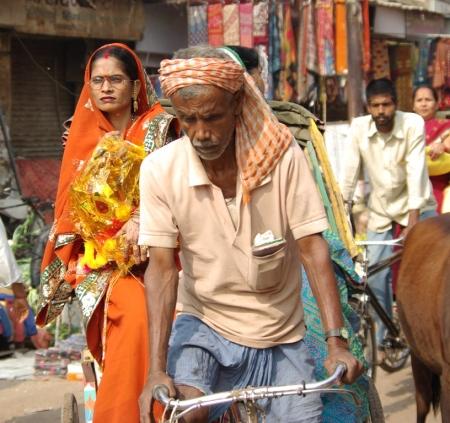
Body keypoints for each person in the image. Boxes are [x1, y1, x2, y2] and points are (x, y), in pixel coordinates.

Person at [138, 46, 362, 423]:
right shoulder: (160, 170)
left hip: (279, 333)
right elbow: (161, 269)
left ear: (239, 103)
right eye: (189, 120)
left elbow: (311, 247)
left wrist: (336, 343)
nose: (202, 133)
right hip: (203, 325)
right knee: (184, 413)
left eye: (212, 117)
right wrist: (155, 370)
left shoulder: (282, 157)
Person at [35, 43, 178, 423]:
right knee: (134, 315)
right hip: (108, 267)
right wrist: (100, 235)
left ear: (135, 86)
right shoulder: (80, 136)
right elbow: (67, 209)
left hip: (169, 251)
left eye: (116, 79)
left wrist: (145, 218)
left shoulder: (162, 127)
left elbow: (183, 188)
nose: (106, 88)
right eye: (97, 81)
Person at [340, 78, 436, 346]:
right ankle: (384, 339)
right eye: (375, 106)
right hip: (382, 207)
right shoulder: (359, 128)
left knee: (428, 268)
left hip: (417, 205)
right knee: (376, 275)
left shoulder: (412, 123)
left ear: (396, 104)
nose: (381, 111)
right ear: (367, 107)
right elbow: (348, 176)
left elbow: (417, 168)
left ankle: (428, 328)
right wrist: (342, 216)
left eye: (386, 104)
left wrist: (414, 221)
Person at [413, 84, 450, 213]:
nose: (424, 104)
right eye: (419, 100)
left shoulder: (445, 126)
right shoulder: (406, 129)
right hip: (409, 188)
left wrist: (443, 146)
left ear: (436, 104)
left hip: (436, 187)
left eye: (428, 100)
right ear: (413, 106)